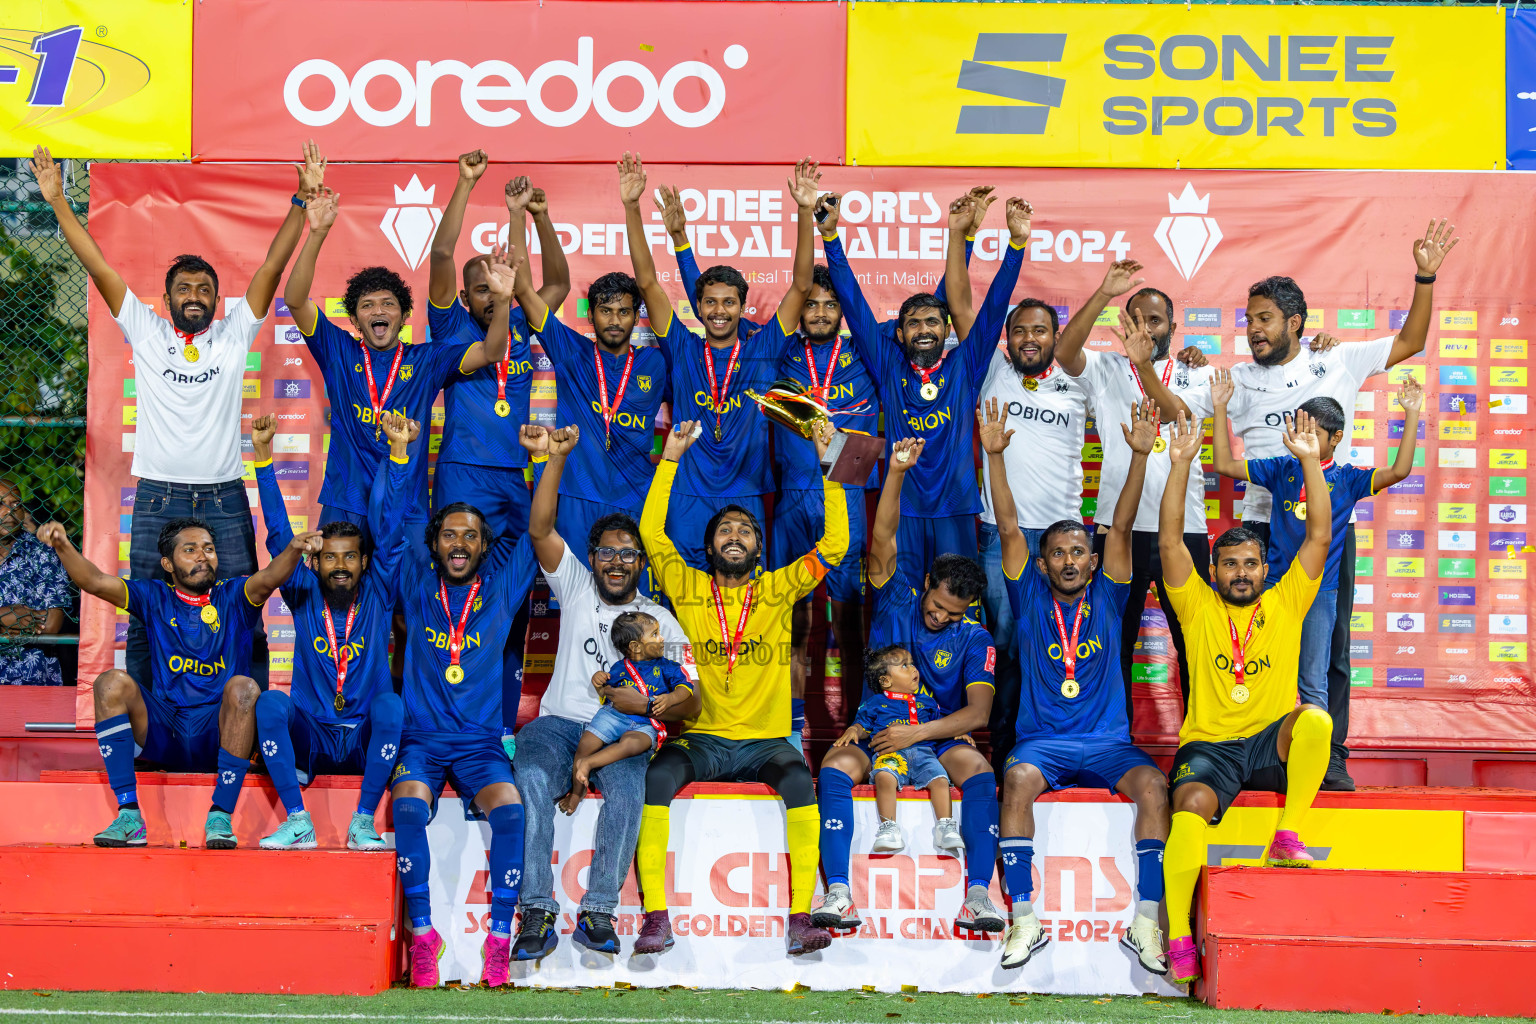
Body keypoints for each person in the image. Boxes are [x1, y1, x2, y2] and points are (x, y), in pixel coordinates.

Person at [1134, 220, 1459, 788]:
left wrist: (1424, 275)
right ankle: (1249, 746)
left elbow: (1411, 342)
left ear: (1295, 323)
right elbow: (1177, 413)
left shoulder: (1336, 361)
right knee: (1254, 640)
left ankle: (1327, 754)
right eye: (1248, 320)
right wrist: (1162, 366)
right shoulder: (1231, 377)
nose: (1253, 330)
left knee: (1328, 648)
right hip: (1259, 531)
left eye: (1263, 320)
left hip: (1327, 529)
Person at [29, 143, 320, 691]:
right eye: (184, 288)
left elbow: (272, 267)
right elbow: (96, 264)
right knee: (144, 618)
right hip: (159, 495)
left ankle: (247, 727)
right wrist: (57, 202)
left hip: (224, 495)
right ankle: (145, 734)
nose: (194, 295)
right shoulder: (146, 330)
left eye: (205, 288)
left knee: (244, 616)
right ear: (164, 300)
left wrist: (300, 203)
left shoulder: (234, 332)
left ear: (217, 299)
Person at [657, 195, 881, 752]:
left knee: (852, 624)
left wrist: (812, 215)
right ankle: (793, 727)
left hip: (842, 495)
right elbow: (708, 301)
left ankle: (855, 728)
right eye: (813, 305)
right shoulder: (773, 353)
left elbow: (806, 285)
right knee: (790, 623)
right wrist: (681, 240)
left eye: (832, 305)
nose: (821, 312)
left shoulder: (864, 357)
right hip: (785, 501)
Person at [633, 417, 848, 957]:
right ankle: (656, 917)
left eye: (745, 531)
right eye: (724, 531)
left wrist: (830, 468)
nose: (735, 536)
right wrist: (671, 460)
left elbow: (837, 544)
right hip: (702, 740)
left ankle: (801, 917)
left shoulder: (778, 587)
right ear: (708, 549)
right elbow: (653, 535)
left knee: (801, 784)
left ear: (758, 547)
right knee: (655, 779)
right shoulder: (686, 583)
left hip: (767, 742)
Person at [980, 397, 1170, 974]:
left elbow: (1126, 520)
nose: (1068, 560)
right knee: (1013, 779)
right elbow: (1009, 526)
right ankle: (1025, 920)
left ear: (1093, 562)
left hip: (1109, 746)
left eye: (1077, 552)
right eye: (1057, 553)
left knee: (1155, 788)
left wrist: (1138, 456)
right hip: (1043, 744)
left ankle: (1146, 922)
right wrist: (995, 459)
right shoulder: (1030, 594)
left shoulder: (1111, 593)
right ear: (1041, 565)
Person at [1157, 410, 1335, 985]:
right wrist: (1181, 465)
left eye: (1249, 564)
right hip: (1210, 746)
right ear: (1214, 571)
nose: (1240, 573)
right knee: (1187, 817)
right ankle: (1179, 935)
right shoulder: (1197, 606)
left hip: (1267, 741)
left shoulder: (1286, 603)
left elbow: (1319, 536)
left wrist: (1310, 460)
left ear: (1265, 569)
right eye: (1229, 564)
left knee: (1315, 722)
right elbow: (1166, 542)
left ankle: (1289, 834)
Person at [509, 423, 698, 961]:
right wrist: (558, 460)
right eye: (608, 554)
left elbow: (694, 697)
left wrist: (655, 706)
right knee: (532, 774)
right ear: (592, 559)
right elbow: (541, 527)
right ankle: (537, 910)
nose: (617, 563)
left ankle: (598, 912)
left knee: (630, 789)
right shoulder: (572, 584)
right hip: (560, 723)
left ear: (642, 563)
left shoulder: (660, 618)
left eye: (628, 555)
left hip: (623, 736)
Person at [370, 412, 541, 989]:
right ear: (435, 544)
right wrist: (400, 457)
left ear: (486, 546)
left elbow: (542, 528)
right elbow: (389, 528)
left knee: (512, 811)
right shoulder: (417, 588)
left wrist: (542, 462)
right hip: (421, 741)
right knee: (410, 808)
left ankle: (498, 939)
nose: (460, 544)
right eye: (449, 535)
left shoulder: (504, 587)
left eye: (471, 535)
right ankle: (423, 936)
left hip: (480, 746)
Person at [814, 438, 1001, 935]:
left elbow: (979, 714)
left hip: (934, 734)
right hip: (876, 730)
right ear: (926, 587)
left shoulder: (974, 636)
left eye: (953, 614)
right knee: (834, 769)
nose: (940, 617)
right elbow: (883, 538)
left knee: (980, 772)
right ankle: (837, 893)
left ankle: (978, 896)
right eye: (937, 606)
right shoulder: (897, 596)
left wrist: (919, 735)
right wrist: (896, 472)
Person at [38, 515, 314, 848]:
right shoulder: (153, 596)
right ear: (168, 563)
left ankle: (221, 816)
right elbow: (95, 581)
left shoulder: (235, 596)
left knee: (244, 689)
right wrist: (63, 546)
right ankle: (129, 816)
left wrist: (295, 550)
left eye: (209, 548)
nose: (203, 555)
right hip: (166, 729)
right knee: (110, 683)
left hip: (219, 732)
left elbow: (269, 577)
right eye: (190, 549)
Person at [820, 191, 1033, 583]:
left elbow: (993, 306)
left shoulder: (965, 365)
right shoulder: (888, 366)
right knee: (900, 606)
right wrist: (830, 238)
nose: (924, 330)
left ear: (947, 330)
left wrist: (1016, 244)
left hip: (955, 508)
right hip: (902, 509)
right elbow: (852, 301)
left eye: (933, 322)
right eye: (914, 324)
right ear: (899, 334)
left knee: (960, 607)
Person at [281, 189, 521, 533]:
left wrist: (502, 301)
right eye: (367, 305)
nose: (378, 310)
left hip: (407, 506)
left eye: (388, 303)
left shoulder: (426, 360)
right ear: (354, 318)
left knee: (409, 589)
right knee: (337, 587)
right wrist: (317, 233)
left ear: (404, 315)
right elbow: (294, 298)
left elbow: (492, 352)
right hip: (347, 501)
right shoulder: (338, 350)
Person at [622, 155, 820, 571]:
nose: (719, 311)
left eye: (729, 302)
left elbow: (802, 285)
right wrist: (631, 207)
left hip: (744, 493)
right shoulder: (682, 346)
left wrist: (805, 211)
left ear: (742, 306)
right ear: (697, 306)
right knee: (684, 593)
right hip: (687, 493)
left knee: (745, 593)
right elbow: (646, 283)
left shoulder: (762, 349)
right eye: (710, 302)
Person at [1056, 265, 1214, 719]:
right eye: (1137, 320)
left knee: (1191, 643)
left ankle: (1202, 739)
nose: (1146, 329)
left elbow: (1176, 418)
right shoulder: (1105, 368)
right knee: (1113, 642)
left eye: (1156, 320)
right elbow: (1066, 353)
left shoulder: (1193, 373)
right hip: (1118, 528)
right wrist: (1105, 290)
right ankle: (1115, 738)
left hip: (1183, 531)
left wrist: (1144, 365)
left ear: (1172, 327)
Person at [1209, 377, 1425, 709]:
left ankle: (1316, 758)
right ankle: (1262, 754)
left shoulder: (1350, 479)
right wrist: (1220, 406)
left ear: (1336, 437)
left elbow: (1399, 471)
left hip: (1321, 591)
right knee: (1261, 674)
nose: (1301, 438)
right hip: (1275, 588)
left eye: (1312, 433)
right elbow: (1223, 465)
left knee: (1313, 683)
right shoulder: (1282, 468)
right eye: (1297, 430)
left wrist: (1411, 414)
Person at [248, 414, 405, 852]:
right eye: (331, 558)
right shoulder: (301, 589)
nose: (340, 566)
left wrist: (399, 455)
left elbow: (391, 528)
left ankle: (362, 823)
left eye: (350, 558)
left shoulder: (379, 592)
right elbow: (279, 534)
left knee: (391, 705)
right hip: (312, 733)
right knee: (271, 703)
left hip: (361, 735)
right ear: (315, 563)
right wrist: (263, 455)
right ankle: (298, 821)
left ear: (364, 563)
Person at [504, 218, 668, 580]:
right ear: (591, 315)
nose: (614, 320)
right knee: (577, 599)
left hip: (637, 497)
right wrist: (528, 215)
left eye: (623, 311)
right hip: (578, 495)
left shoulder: (656, 362)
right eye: (605, 311)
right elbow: (525, 291)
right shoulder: (571, 352)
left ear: (636, 316)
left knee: (631, 605)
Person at [428, 152, 569, 543]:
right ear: (463, 296)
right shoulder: (449, 326)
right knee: (457, 570)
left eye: (498, 286)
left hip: (513, 471)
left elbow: (557, 285)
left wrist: (533, 217)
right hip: (463, 471)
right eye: (481, 289)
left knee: (513, 575)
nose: (493, 296)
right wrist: (465, 182)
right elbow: (441, 254)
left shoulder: (520, 323)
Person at [976, 298, 1092, 774]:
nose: (1030, 338)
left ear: (1056, 336)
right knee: (1004, 646)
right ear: (1007, 337)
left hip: (1062, 537)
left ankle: (1064, 747)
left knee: (1063, 645)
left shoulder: (1082, 378)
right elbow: (963, 305)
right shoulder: (993, 371)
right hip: (1001, 532)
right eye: (1020, 330)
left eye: (1041, 330)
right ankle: (1006, 755)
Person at [830, 645, 962, 855]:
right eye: (904, 665)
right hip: (891, 755)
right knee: (884, 777)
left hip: (924, 755)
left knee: (940, 780)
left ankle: (945, 826)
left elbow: (940, 727)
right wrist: (854, 729)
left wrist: (958, 734)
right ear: (886, 681)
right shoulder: (875, 703)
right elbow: (863, 725)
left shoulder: (927, 703)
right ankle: (888, 828)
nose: (913, 669)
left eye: (912, 663)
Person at [561, 610, 695, 813]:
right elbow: (607, 693)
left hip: (645, 723)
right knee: (586, 743)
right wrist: (599, 681)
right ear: (635, 647)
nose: (662, 638)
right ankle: (577, 793)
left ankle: (589, 763)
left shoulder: (668, 667)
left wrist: (670, 698)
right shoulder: (618, 668)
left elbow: (686, 688)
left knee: (632, 744)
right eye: (655, 634)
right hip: (614, 716)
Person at [0, 480, 72, 685]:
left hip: (31, 675)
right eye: (1, 504)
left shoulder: (43, 553)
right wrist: (6, 615)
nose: (9, 511)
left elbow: (50, 624)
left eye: (16, 504)